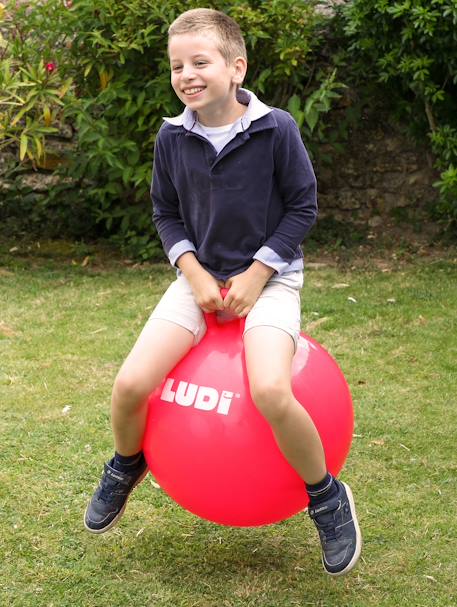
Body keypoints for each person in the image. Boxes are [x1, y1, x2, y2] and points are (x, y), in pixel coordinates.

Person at [84, 7, 362, 576]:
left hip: (272, 279)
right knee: (131, 383)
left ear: (236, 67)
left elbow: (303, 208)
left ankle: (327, 496)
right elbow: (165, 213)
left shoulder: (275, 128)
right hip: (200, 278)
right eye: (176, 65)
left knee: (269, 390)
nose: (186, 74)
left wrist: (257, 275)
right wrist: (193, 272)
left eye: (200, 61)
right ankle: (125, 463)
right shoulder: (171, 137)